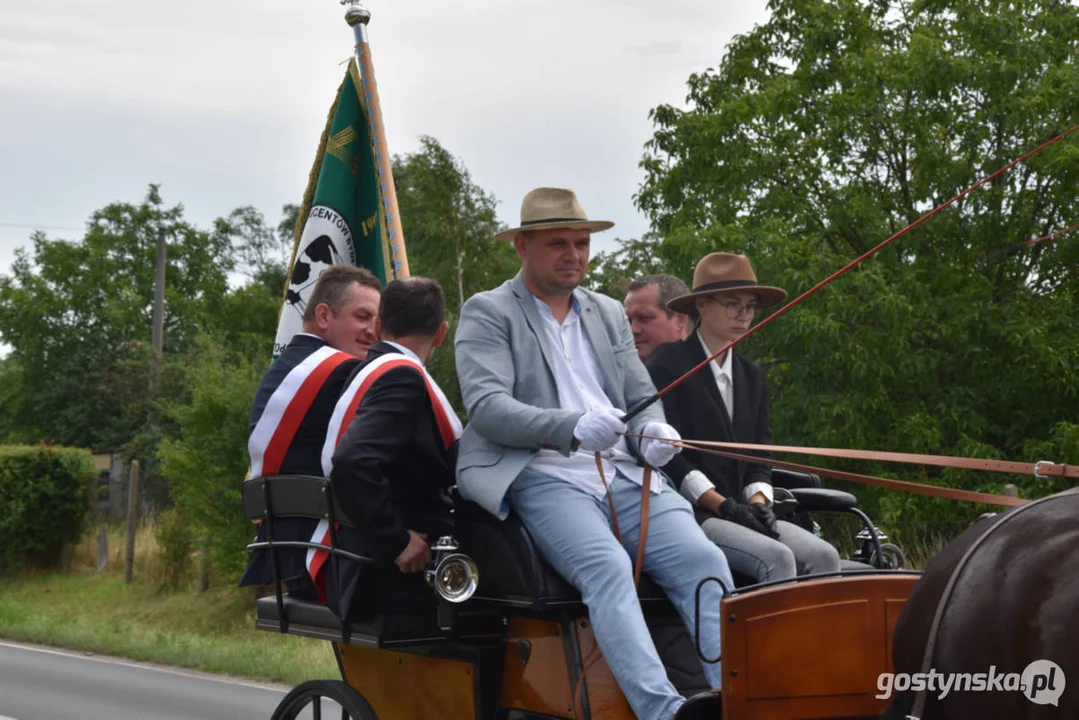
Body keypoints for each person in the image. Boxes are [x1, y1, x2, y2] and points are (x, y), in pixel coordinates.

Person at [454, 187, 731, 720]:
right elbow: (489, 409)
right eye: (558, 243)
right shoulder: (488, 312)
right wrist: (572, 427)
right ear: (522, 246)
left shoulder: (605, 312)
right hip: (541, 471)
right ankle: (664, 711)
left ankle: (735, 700)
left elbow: (639, 400)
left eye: (581, 243)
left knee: (706, 561)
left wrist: (653, 432)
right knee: (606, 566)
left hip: (625, 473)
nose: (574, 255)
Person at [647, 252, 841, 582]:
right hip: (693, 513)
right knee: (777, 558)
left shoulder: (753, 376)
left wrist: (758, 503)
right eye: (732, 304)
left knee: (825, 555)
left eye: (750, 306)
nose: (744, 315)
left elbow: (759, 454)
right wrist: (724, 506)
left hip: (743, 511)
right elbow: (671, 458)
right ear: (702, 305)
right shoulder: (669, 363)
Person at [307, 277, 462, 620]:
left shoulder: (368, 369)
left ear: (378, 326)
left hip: (354, 553)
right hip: (387, 569)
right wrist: (395, 541)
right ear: (441, 333)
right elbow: (350, 462)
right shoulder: (401, 377)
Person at [239, 264, 382, 589]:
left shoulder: (286, 367)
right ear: (323, 316)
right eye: (362, 317)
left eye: (377, 320)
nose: (374, 332)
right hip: (329, 558)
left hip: (283, 552)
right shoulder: (343, 374)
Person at [624, 274, 691, 360]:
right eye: (628, 321)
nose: (632, 330)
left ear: (680, 321)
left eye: (644, 318)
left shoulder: (709, 369)